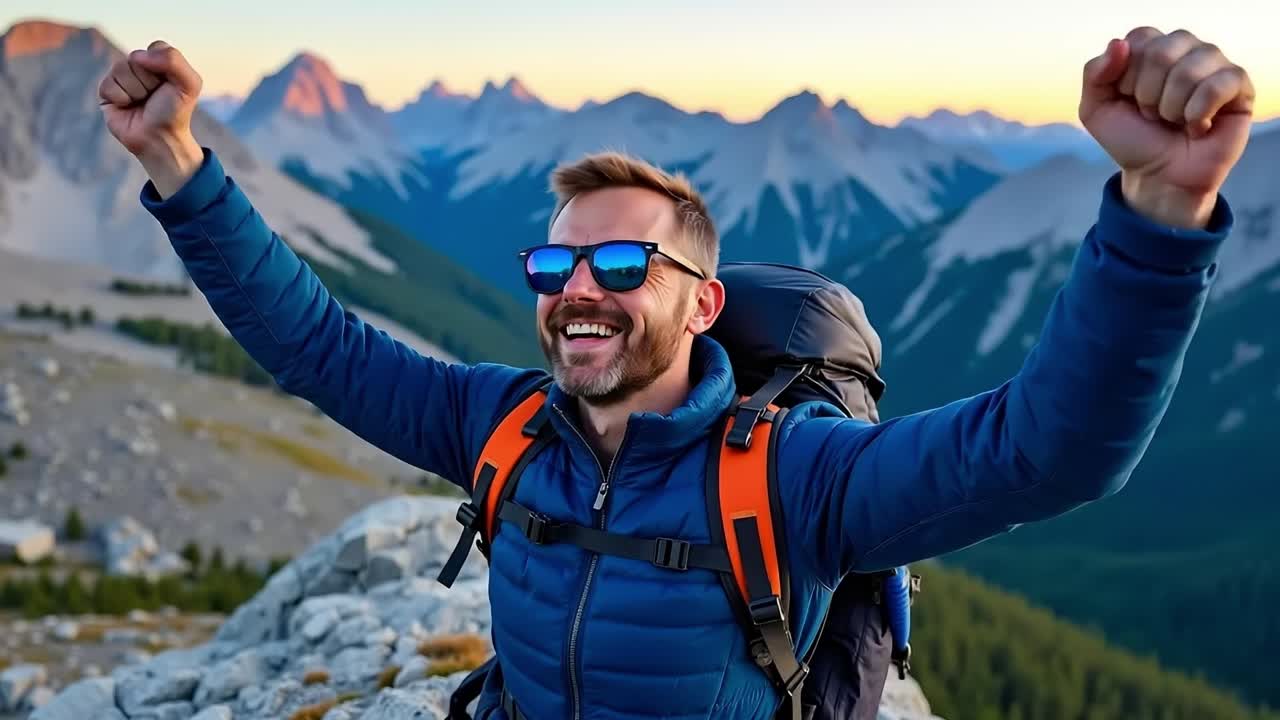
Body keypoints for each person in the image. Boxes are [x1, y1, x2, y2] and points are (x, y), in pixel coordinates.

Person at [99, 25, 1252, 719]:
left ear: (701, 304)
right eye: (555, 260)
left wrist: (1160, 212)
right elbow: (315, 342)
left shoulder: (797, 481)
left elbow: (1046, 448)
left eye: (619, 261)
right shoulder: (498, 426)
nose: (578, 288)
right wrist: (177, 164)